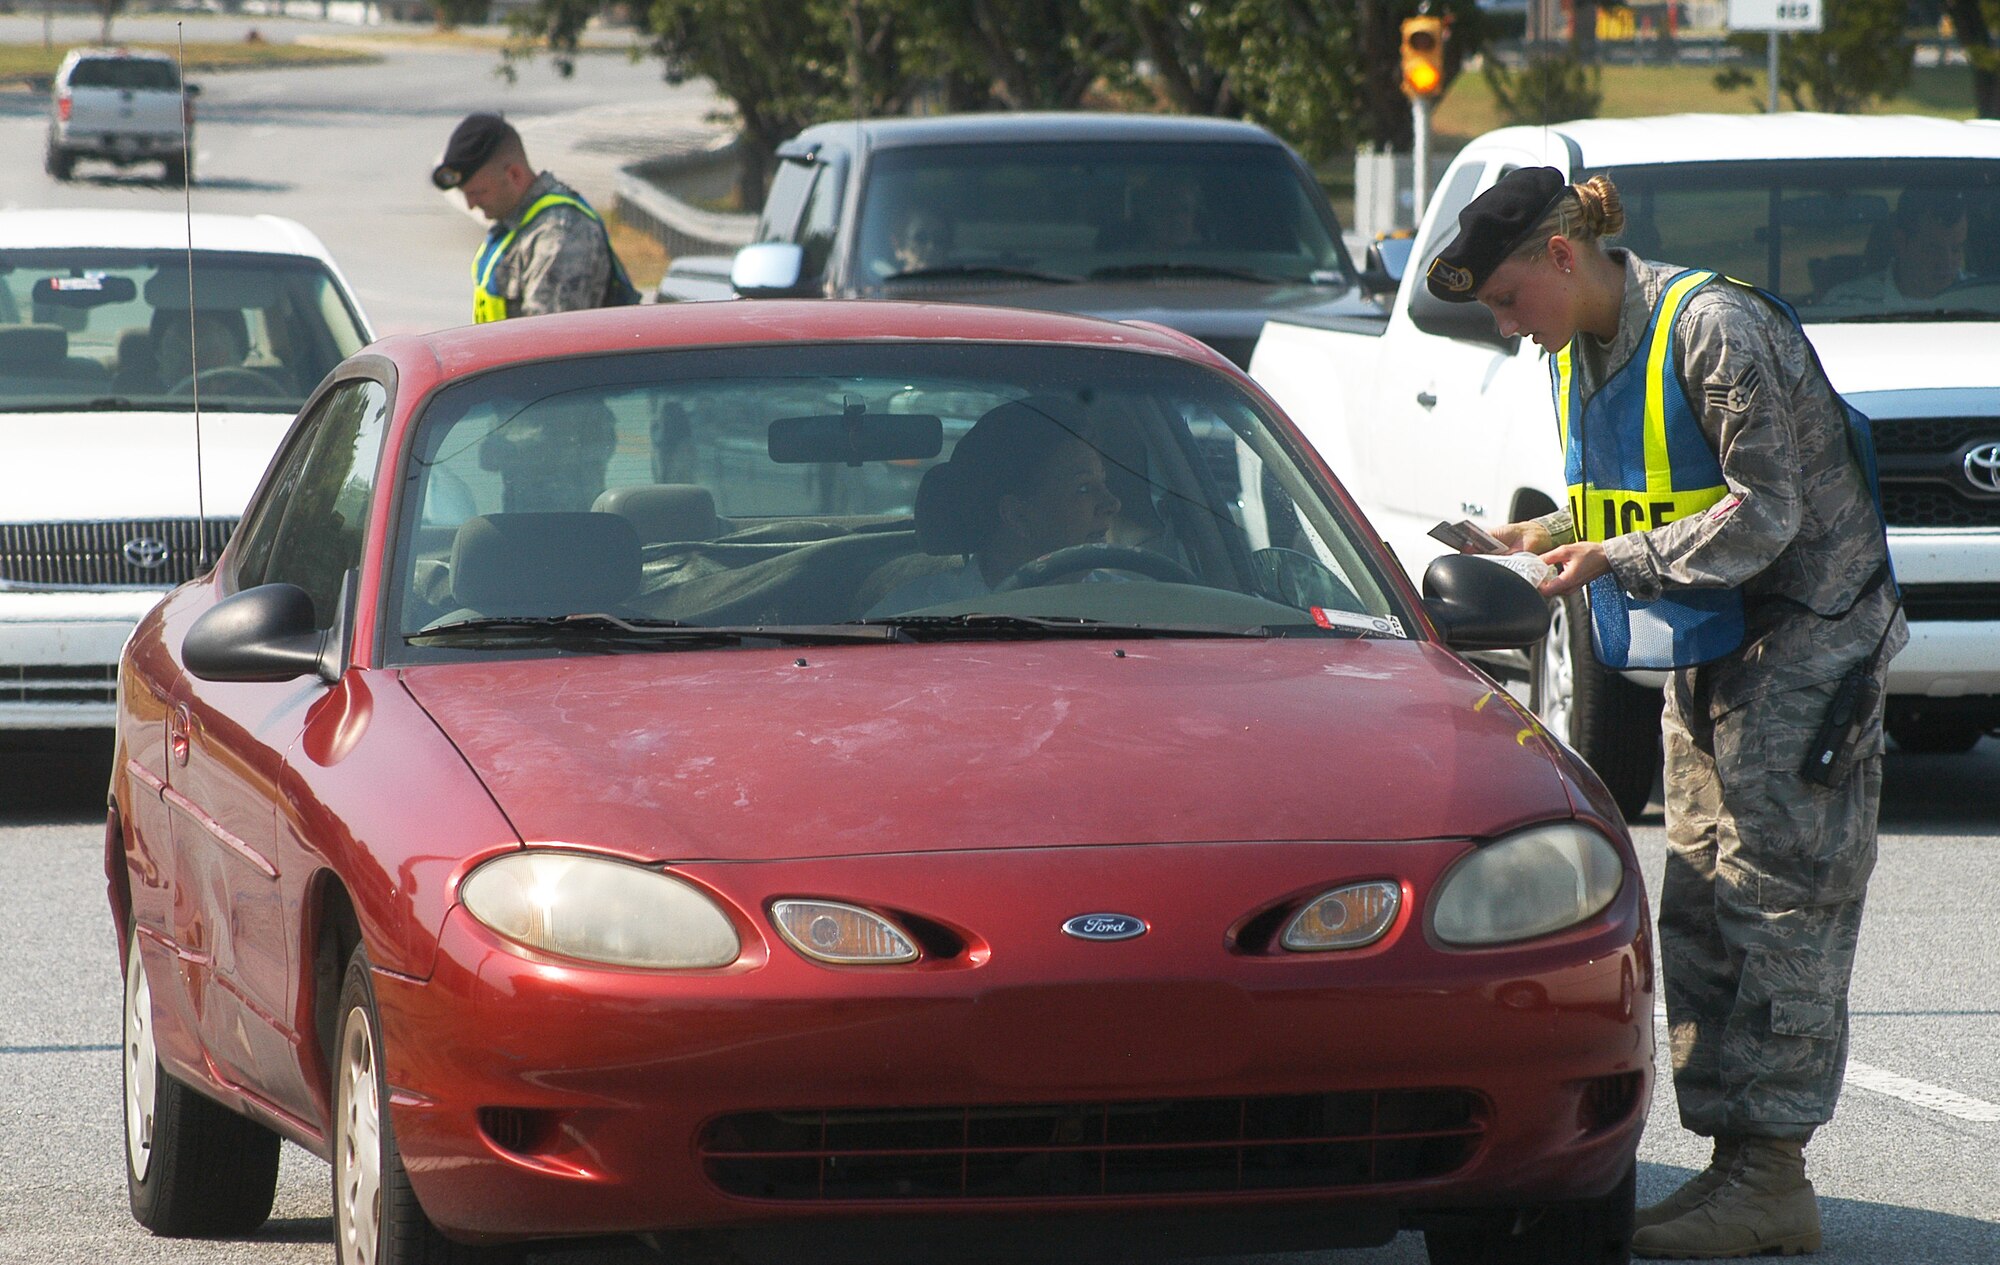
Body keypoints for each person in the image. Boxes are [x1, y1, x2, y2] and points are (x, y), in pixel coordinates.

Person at [1424, 166, 1905, 1259]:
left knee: (1776, 903)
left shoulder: (1711, 327)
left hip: (1804, 641)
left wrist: (1609, 557)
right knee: (1693, 899)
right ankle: (1730, 1165)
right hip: (1708, 645)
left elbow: (1763, 510)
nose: (1507, 329)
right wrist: (1538, 537)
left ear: (1559, 256)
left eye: (1507, 299)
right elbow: (1641, 494)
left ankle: (1771, 1178)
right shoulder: (1577, 348)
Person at [866, 397, 1121, 615]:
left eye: (1104, 482)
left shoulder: (1136, 605)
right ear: (1018, 516)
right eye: (1084, 488)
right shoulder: (915, 621)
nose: (1112, 504)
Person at [431, 111, 641, 323]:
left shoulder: (559, 234)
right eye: (465, 194)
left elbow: (549, 342)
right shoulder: (514, 226)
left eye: (478, 192)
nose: (470, 204)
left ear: (514, 174)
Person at [1820, 189, 1969, 307]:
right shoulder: (1845, 304)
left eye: (1956, 249)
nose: (1947, 262)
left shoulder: (1983, 298)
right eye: (1933, 250)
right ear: (1901, 242)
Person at [889, 207, 953, 275]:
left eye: (939, 239)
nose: (931, 246)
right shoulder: (883, 284)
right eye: (921, 238)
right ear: (899, 245)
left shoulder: (959, 283)